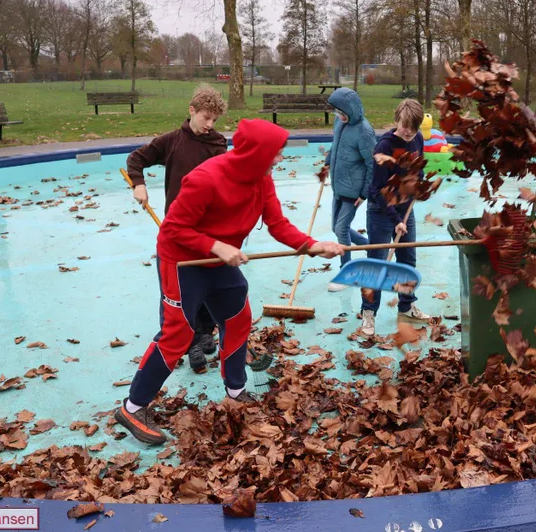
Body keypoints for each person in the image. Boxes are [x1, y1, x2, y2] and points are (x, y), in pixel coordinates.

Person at [115, 119, 344, 445]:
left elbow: (277, 223)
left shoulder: (261, 180)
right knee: (177, 334)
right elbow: (172, 230)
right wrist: (217, 246)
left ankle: (236, 391)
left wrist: (312, 245)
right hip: (183, 261)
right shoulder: (206, 179)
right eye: (275, 154)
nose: (279, 160)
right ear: (256, 154)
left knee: (238, 317)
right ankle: (132, 407)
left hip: (219, 261)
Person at [126, 84, 228, 374]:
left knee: (208, 282)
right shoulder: (171, 142)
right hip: (177, 231)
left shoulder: (218, 144)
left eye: (214, 120)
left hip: (209, 230)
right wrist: (139, 184)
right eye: (205, 117)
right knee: (180, 289)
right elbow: (136, 159)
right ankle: (190, 340)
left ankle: (205, 330)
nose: (209, 125)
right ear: (191, 111)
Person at [360, 99, 432, 336]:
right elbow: (378, 189)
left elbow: (417, 168)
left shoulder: (418, 138)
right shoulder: (384, 147)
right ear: (396, 121)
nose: (408, 132)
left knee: (407, 261)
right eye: (404, 127)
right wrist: (395, 218)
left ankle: (406, 307)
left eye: (412, 127)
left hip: (405, 208)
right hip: (381, 211)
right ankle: (368, 314)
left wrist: (419, 184)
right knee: (377, 264)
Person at [324, 88, 376, 291]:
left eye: (342, 111)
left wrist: (364, 193)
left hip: (354, 190)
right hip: (339, 185)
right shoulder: (340, 122)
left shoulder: (364, 130)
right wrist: (328, 162)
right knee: (335, 227)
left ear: (352, 109)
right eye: (336, 111)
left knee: (341, 229)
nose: (339, 115)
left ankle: (347, 274)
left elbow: (373, 163)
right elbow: (335, 145)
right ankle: (368, 244)